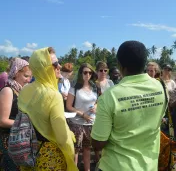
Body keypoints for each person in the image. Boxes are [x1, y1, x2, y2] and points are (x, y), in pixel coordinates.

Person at [91, 41, 166, 171]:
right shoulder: (161, 88)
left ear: (120, 65)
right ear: (144, 63)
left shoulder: (110, 96)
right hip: (149, 166)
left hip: (115, 166)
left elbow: (98, 143)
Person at [18, 47, 78, 171]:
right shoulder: (53, 95)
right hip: (49, 156)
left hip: (26, 153)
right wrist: (71, 155)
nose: (60, 66)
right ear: (43, 67)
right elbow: (62, 139)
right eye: (55, 64)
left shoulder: (25, 90)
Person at [0, 58, 32, 170]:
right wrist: (26, 124)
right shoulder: (8, 91)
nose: (29, 80)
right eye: (26, 76)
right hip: (9, 140)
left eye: (30, 77)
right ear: (16, 73)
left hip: (20, 139)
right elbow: (2, 121)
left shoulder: (21, 92)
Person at [66, 63, 99, 171]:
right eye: (85, 72)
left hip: (90, 123)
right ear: (81, 73)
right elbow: (69, 106)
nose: (87, 74)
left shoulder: (94, 87)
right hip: (77, 123)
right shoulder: (75, 87)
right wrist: (82, 114)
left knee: (87, 149)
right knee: (75, 150)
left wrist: (95, 106)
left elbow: (98, 101)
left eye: (90, 72)